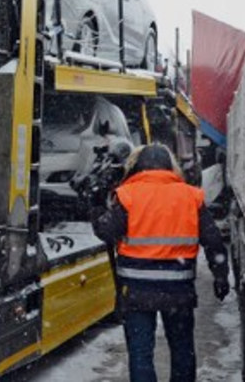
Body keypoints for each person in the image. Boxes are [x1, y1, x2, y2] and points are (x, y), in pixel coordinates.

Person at [94, 143, 230, 382]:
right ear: (170, 167)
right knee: (182, 351)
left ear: (137, 166)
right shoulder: (191, 196)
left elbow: (106, 231)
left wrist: (95, 203)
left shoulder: (127, 196)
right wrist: (220, 275)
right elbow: (213, 241)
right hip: (178, 291)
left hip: (136, 292)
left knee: (140, 354)